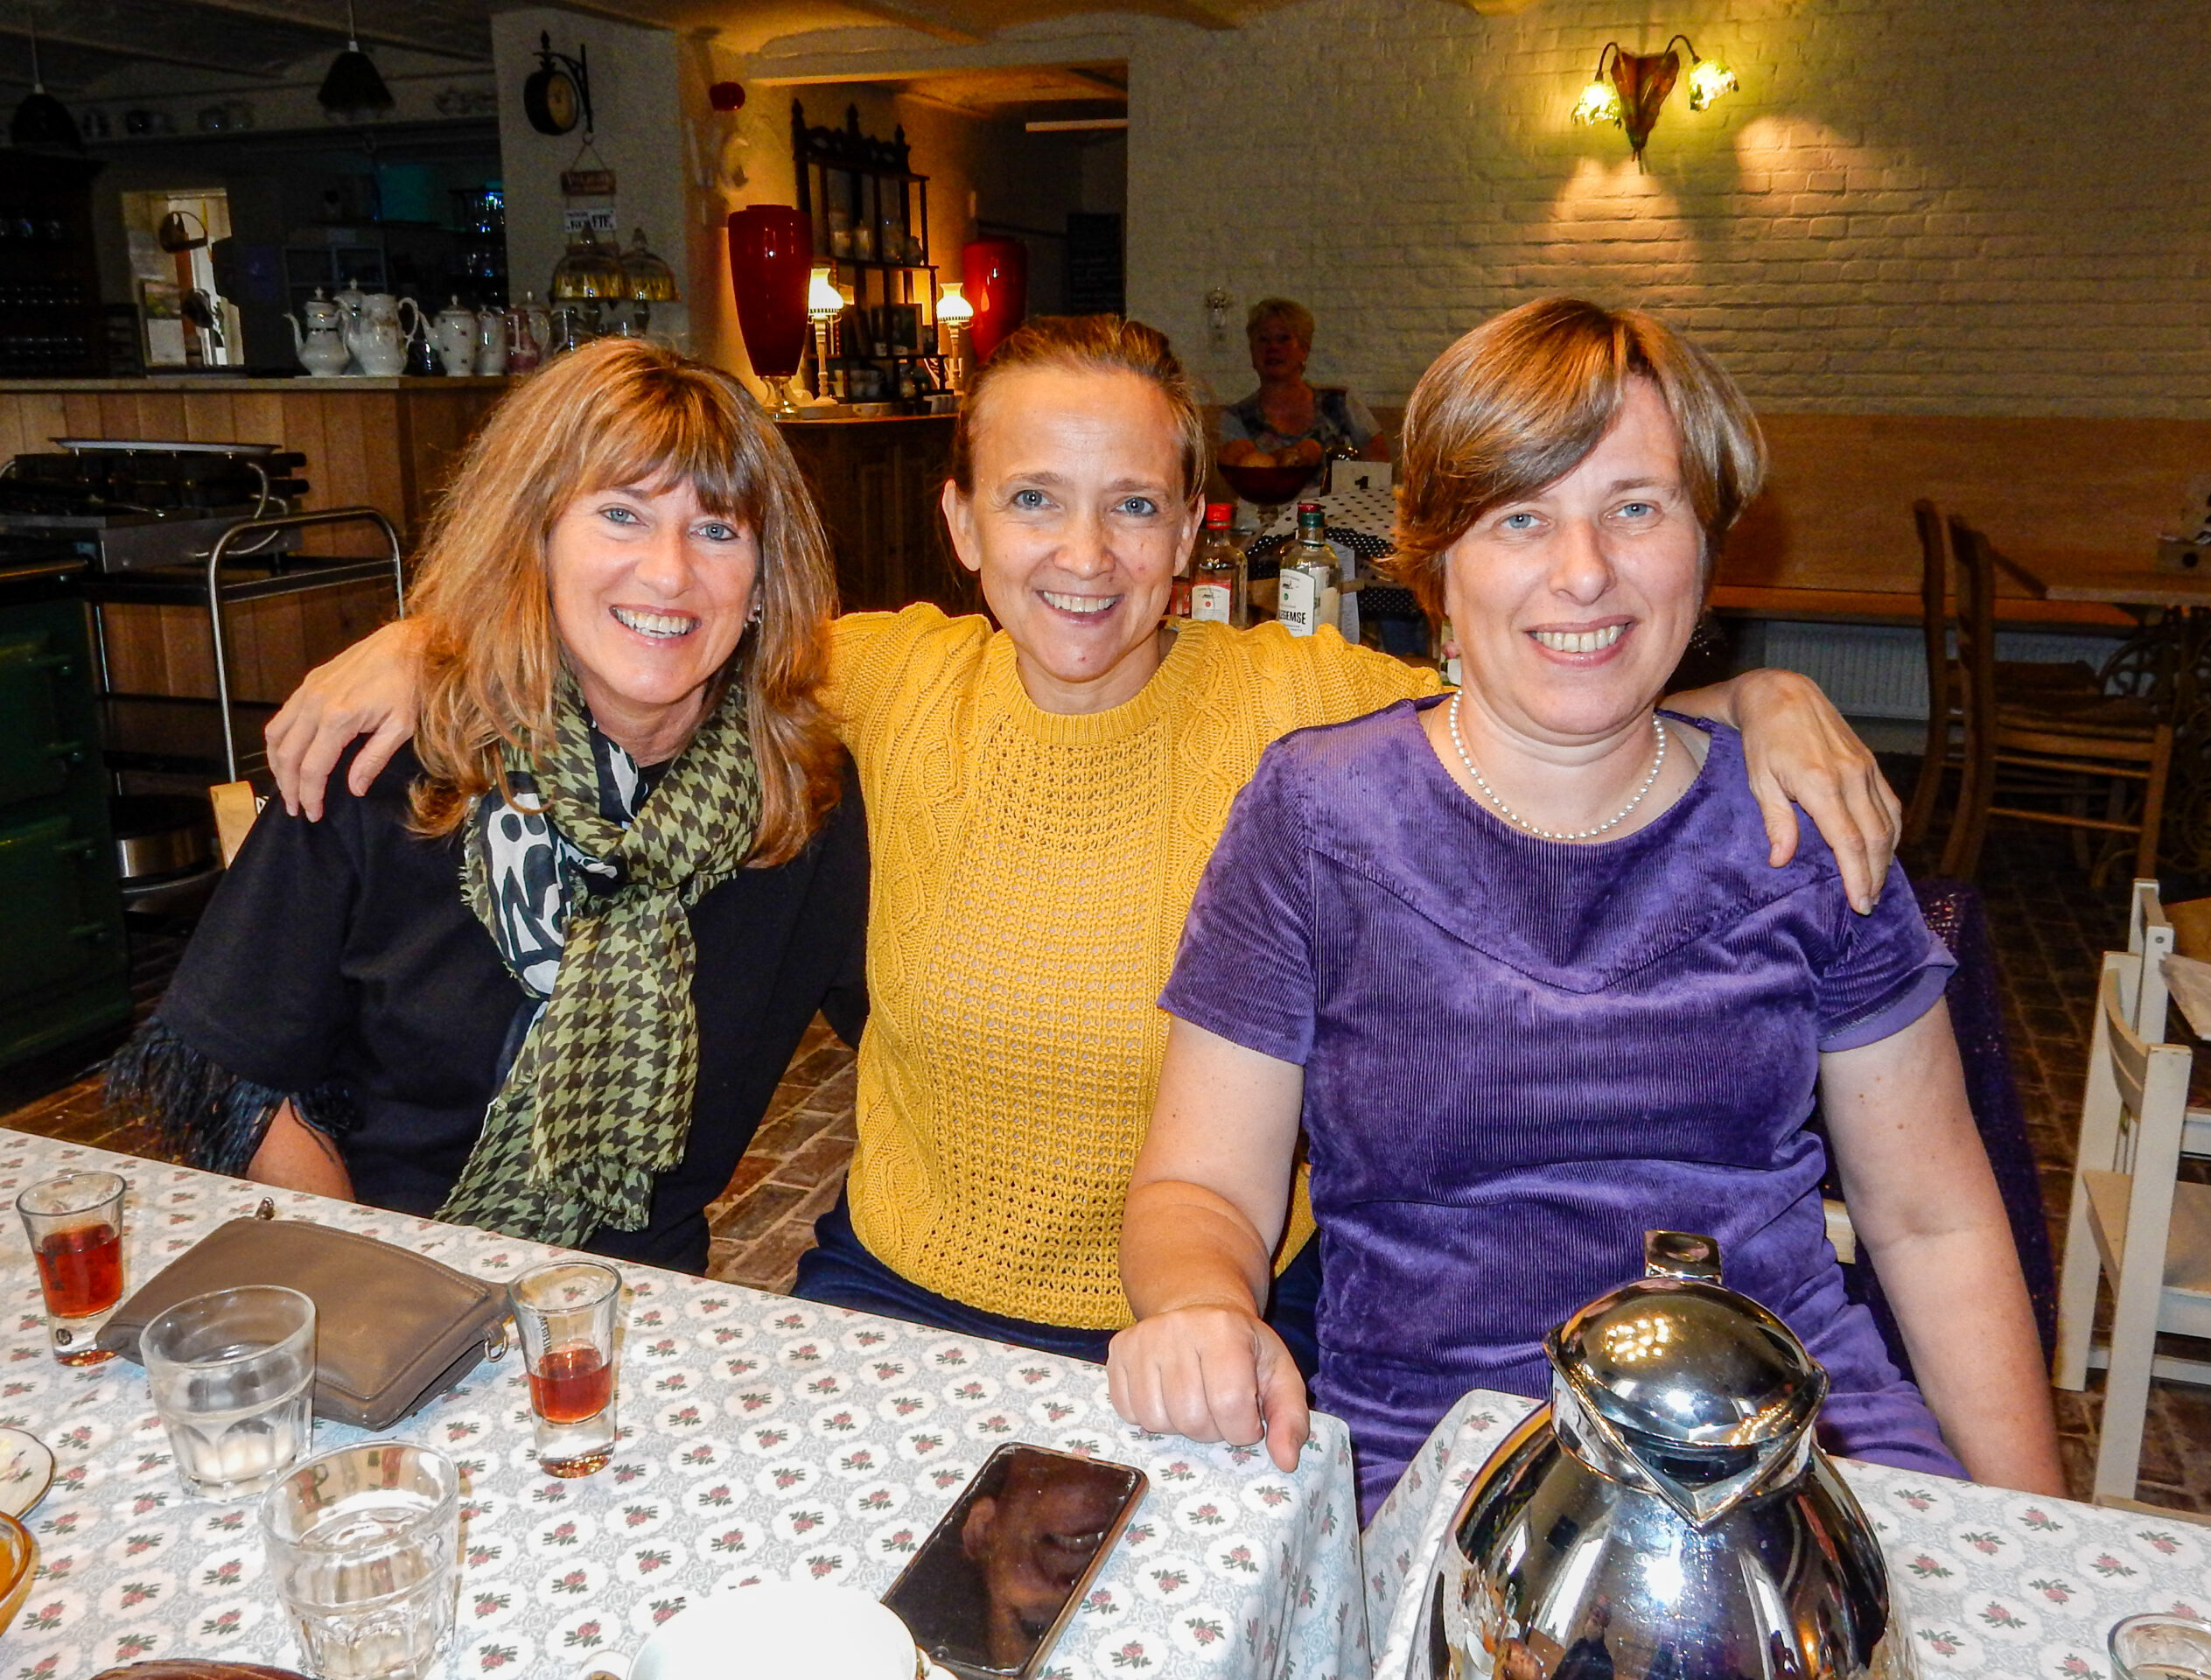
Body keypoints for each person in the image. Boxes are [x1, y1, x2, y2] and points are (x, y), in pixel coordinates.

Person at [255, 315, 1902, 1368]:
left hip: (1229, 1313)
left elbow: (1558, 685)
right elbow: (655, 619)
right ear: (962, 523)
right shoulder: (881, 678)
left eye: (1135, 505)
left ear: (1191, 531)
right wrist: (428, 642)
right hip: (897, 1294)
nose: (1086, 557)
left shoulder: (1298, 704)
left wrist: (1755, 701)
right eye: (1035, 499)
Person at [1107, 298, 2064, 1515]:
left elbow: (1931, 1222)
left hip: (1795, 1435)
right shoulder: (1318, 817)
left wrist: (2035, 1535)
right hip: (1444, 1446)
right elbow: (1201, 1189)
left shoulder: (1802, 815)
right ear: (1437, 565)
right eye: (1520, 516)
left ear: (1704, 544)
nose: (1584, 571)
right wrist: (1200, 1307)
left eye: (1636, 507)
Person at [104, 340, 870, 1273]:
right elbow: (242, 1069)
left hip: (642, 1294)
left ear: (762, 581)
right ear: (534, 541)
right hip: (380, 1261)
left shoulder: (805, 802)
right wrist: (371, 1284)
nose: (670, 574)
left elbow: (914, 1028)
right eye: (620, 515)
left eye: (718, 531)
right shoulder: (391, 758)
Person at [1217, 297, 1389, 470]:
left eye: (1284, 338)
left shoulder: (1340, 403)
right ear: (1252, 352)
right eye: (1263, 339)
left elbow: (1379, 465)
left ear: (1304, 350)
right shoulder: (1236, 418)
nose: (1273, 347)